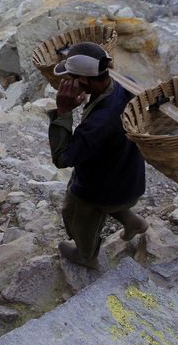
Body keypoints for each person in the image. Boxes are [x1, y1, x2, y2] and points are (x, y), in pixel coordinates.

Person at [48, 42, 147, 269]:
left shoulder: (100, 122)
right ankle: (134, 222)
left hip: (99, 189)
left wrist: (63, 110)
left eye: (72, 78)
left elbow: (63, 158)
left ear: (84, 81)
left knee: (77, 217)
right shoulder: (125, 82)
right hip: (127, 176)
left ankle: (87, 256)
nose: (69, 83)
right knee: (111, 202)